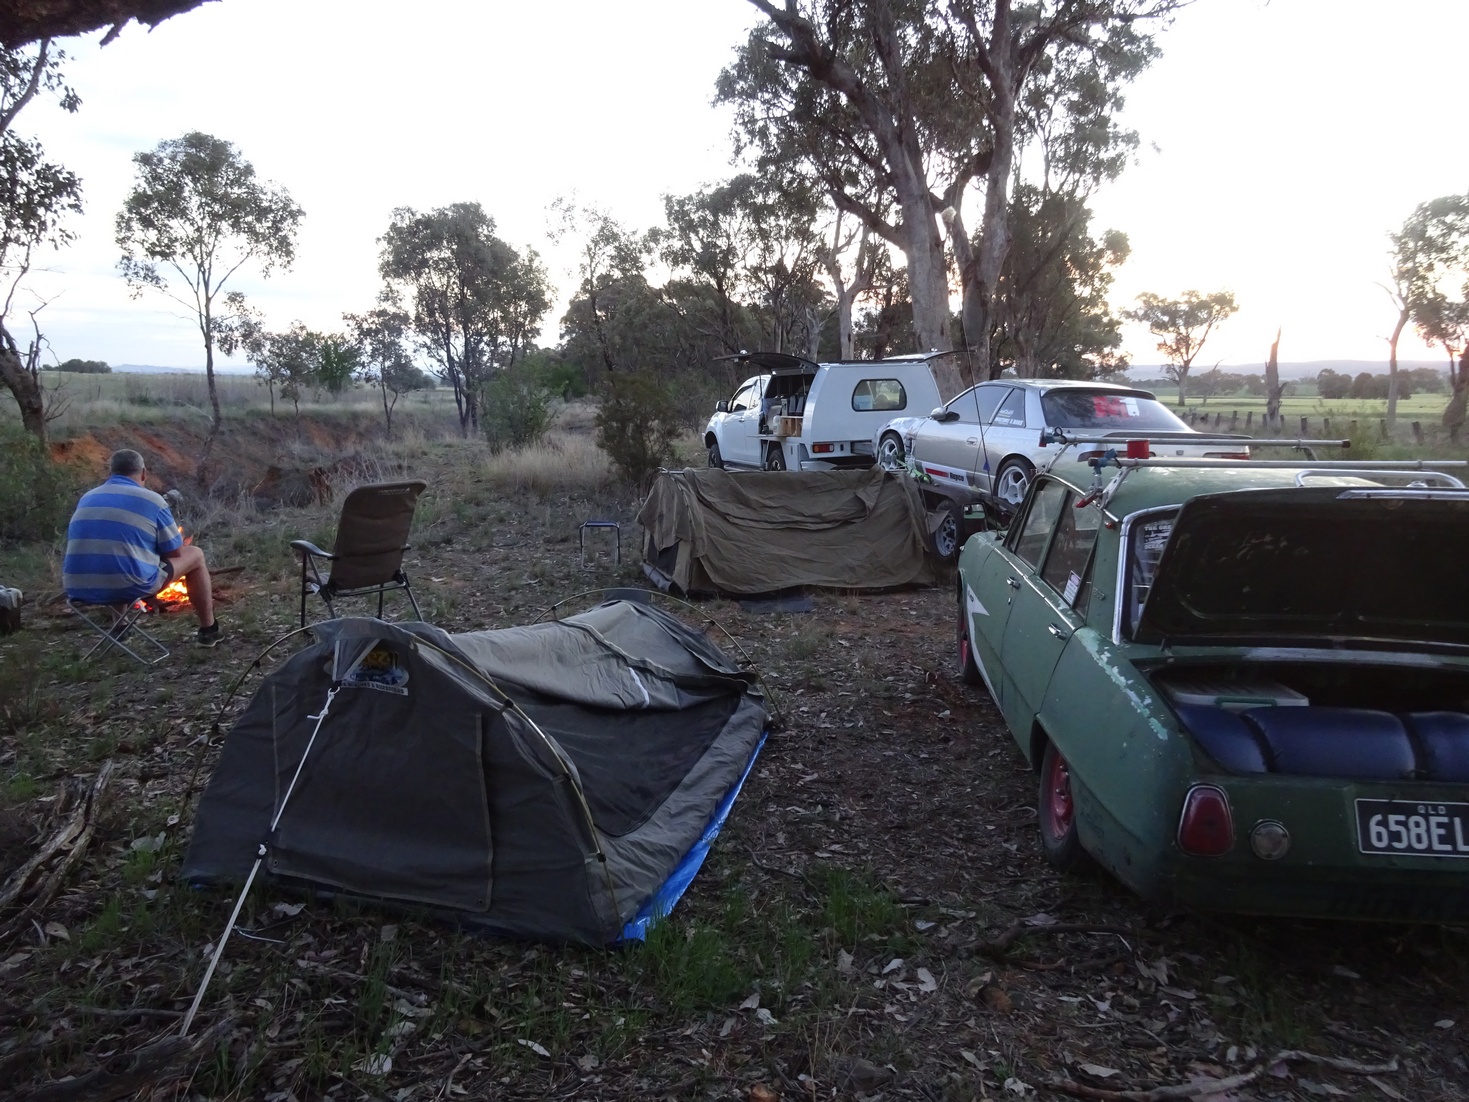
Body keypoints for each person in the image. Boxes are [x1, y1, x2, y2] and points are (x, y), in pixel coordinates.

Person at [62, 448, 221, 647]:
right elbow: (175, 552)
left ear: (111, 473)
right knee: (195, 555)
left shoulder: (87, 498)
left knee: (117, 558)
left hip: (77, 587)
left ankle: (120, 628)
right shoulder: (152, 499)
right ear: (143, 473)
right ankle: (209, 630)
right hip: (129, 585)